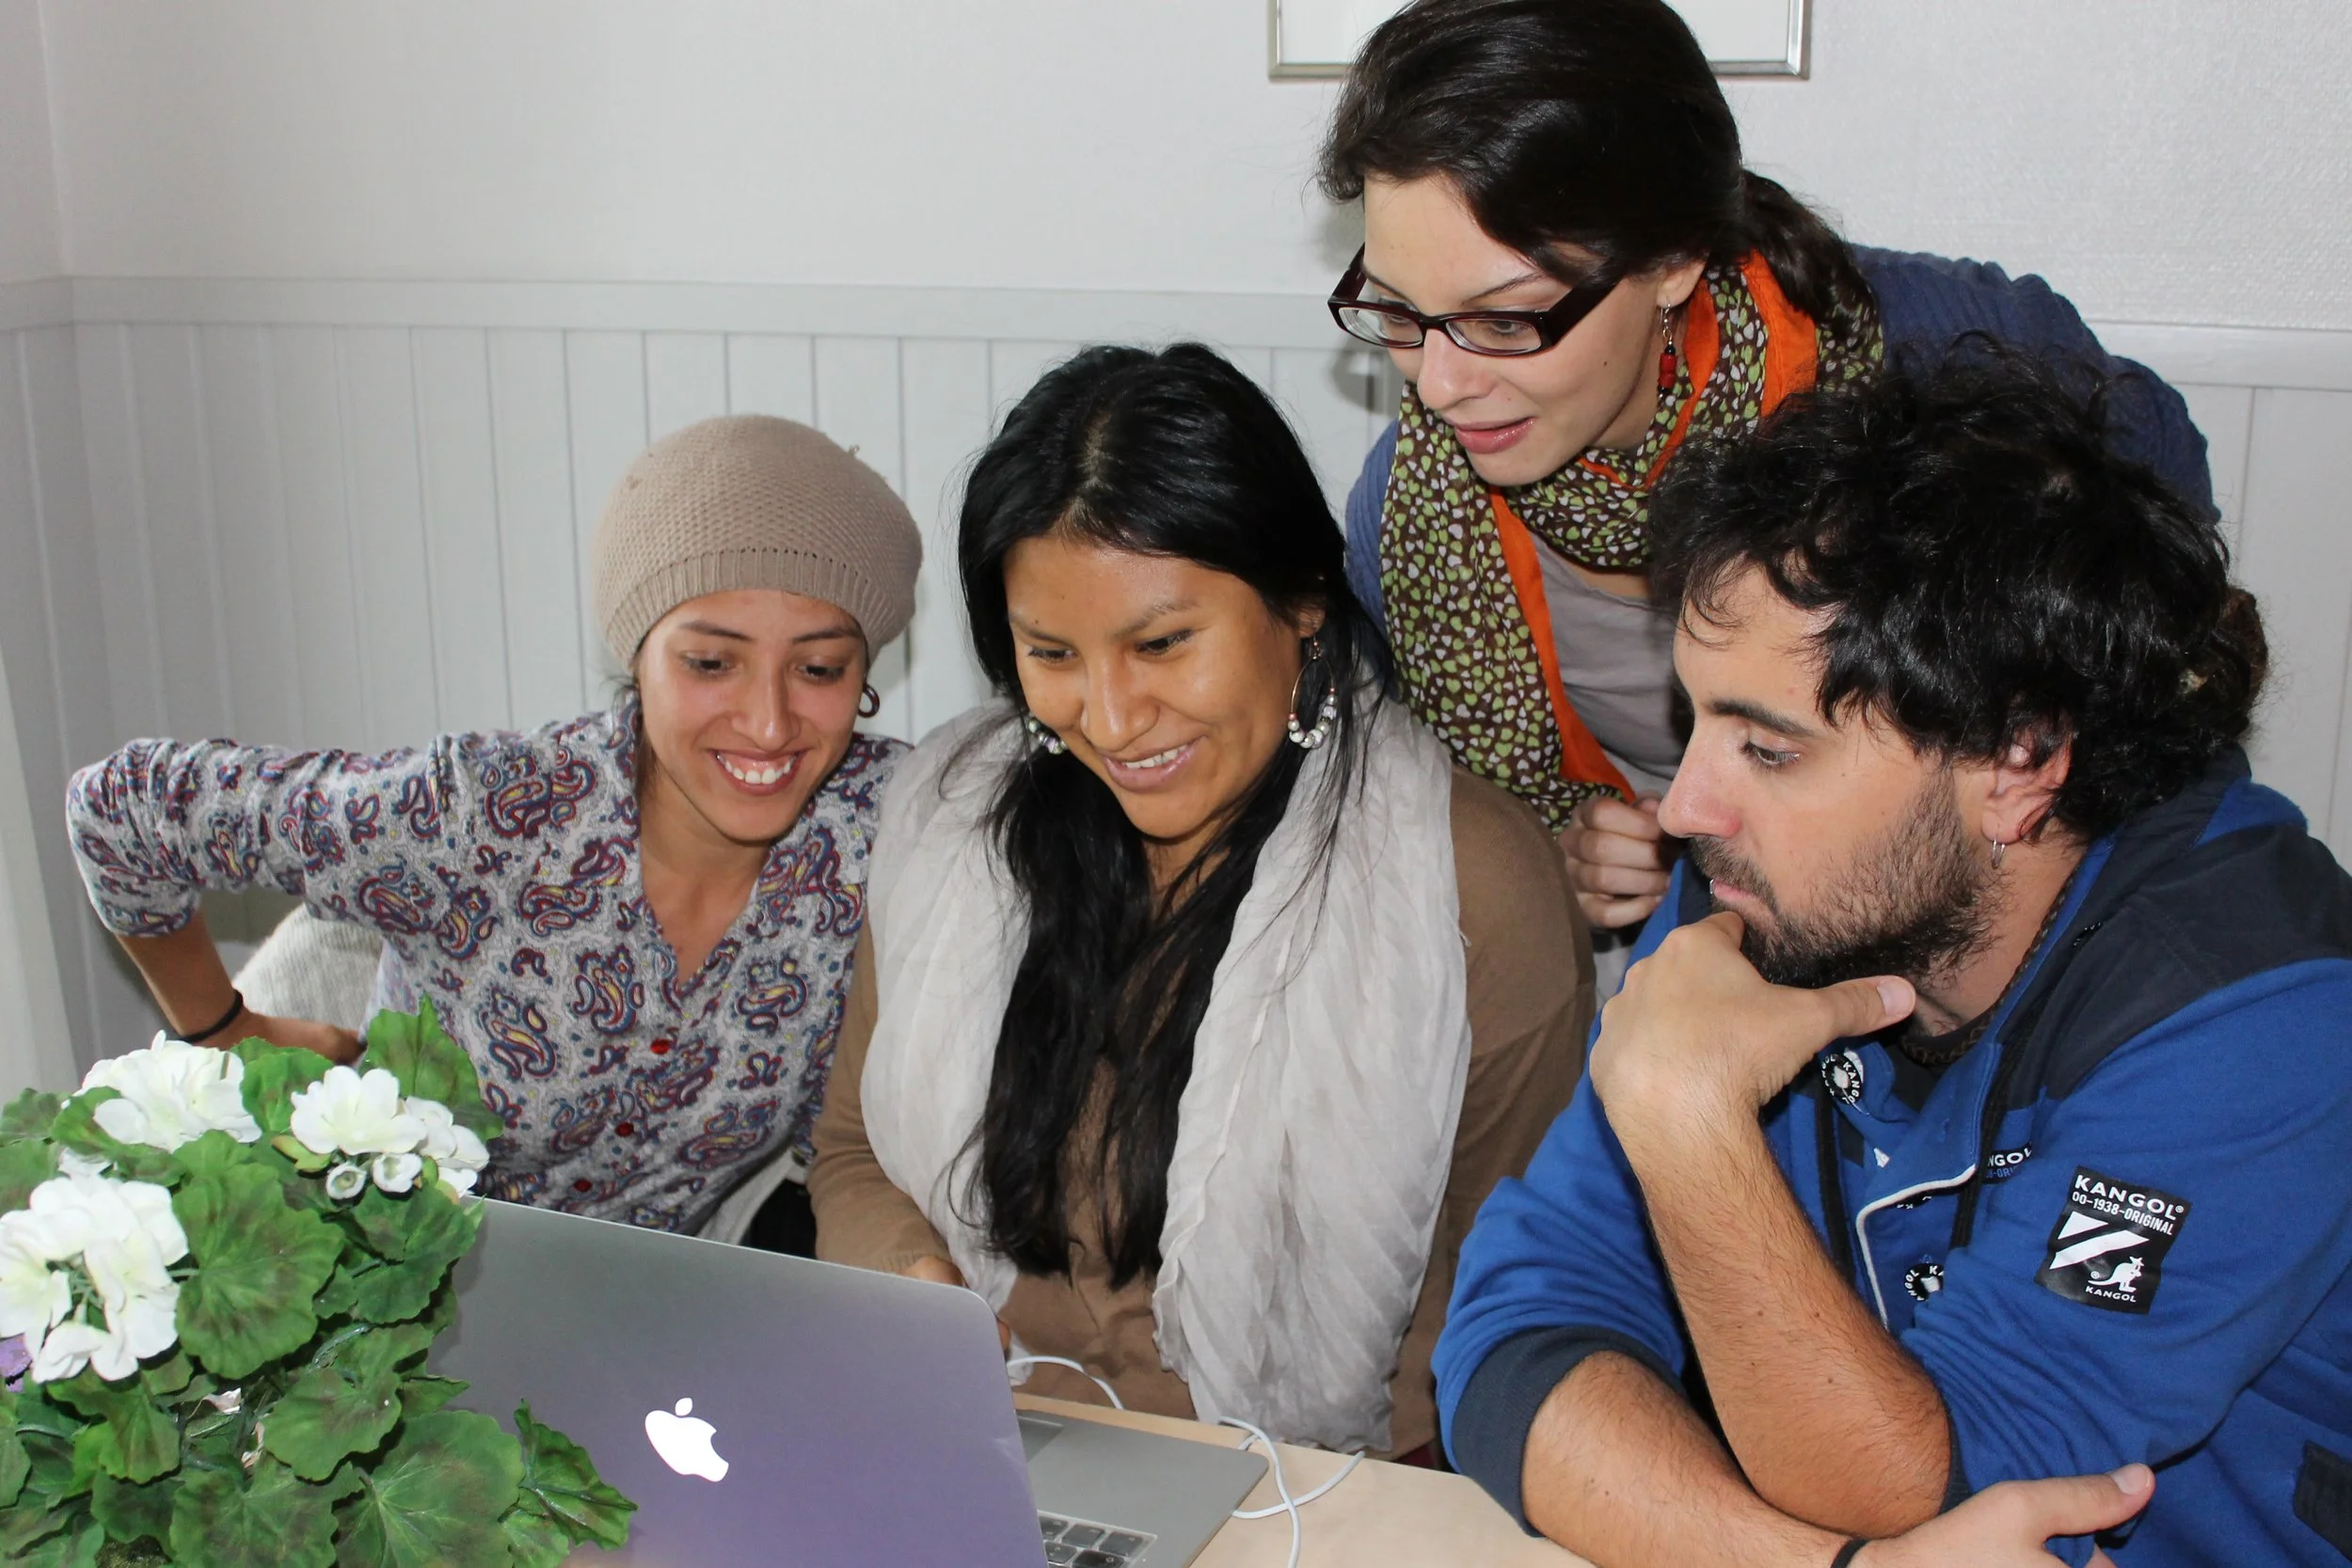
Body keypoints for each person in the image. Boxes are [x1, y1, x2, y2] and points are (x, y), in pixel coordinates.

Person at [1434, 356, 2352, 1565]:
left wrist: (1687, 1125)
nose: (1684, 808)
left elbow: (1937, 1485)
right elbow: (1513, 1341)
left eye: (1768, 749)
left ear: (2018, 763)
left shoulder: (2256, 1014)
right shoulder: (1767, 892)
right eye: (1694, 719)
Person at [1316, 0, 2214, 970]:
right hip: (1702, 937)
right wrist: (1561, 849)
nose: (1438, 387)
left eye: (1505, 321)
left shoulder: (1931, 353)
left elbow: (2152, 533)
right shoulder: (1410, 521)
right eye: (1398, 312)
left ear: (1671, 260)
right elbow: (1458, 814)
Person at [808, 344, 1588, 1458]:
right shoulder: (953, 824)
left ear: (1300, 599)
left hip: (1314, 1487)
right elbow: (852, 1150)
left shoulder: (1467, 885)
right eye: (1052, 653)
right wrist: (913, 1282)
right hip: (981, 1441)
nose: (1112, 716)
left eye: (1163, 642)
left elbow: (1517, 1281)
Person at [66, 415, 922, 1237]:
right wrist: (220, 1027)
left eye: (819, 667)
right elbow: (123, 809)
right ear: (636, 656)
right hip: (370, 1281)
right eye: (710, 661)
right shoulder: (482, 817)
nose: (769, 723)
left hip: (644, 1304)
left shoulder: (884, 826)